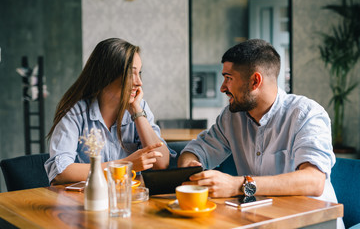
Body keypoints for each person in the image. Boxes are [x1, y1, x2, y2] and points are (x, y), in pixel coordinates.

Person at [178, 39, 344, 227]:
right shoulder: (232, 117)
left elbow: (313, 181)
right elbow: (197, 149)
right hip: (261, 221)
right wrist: (190, 167)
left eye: (228, 78)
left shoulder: (306, 114)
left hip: (313, 224)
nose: (222, 88)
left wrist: (238, 185)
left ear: (255, 81)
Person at [45, 38, 173, 185]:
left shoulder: (140, 107)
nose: (139, 82)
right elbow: (61, 172)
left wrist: (137, 113)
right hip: (85, 202)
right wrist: (124, 165)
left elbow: (162, 163)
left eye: (140, 73)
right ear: (107, 75)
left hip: (129, 201)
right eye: (132, 74)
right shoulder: (75, 112)